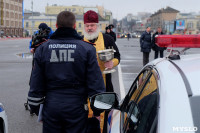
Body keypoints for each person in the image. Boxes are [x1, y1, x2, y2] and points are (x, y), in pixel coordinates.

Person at [27, 11, 106, 133]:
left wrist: (36, 108)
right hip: (77, 108)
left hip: (51, 107)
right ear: (74, 26)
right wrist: (97, 112)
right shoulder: (87, 49)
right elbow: (95, 82)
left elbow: (36, 81)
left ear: (57, 26)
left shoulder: (43, 49)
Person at [83, 10, 120, 133]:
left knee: (104, 121)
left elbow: (118, 56)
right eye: (87, 26)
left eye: (92, 25)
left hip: (105, 85)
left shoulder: (107, 39)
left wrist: (112, 63)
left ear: (97, 26)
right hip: (84, 88)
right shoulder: (79, 40)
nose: (89, 28)